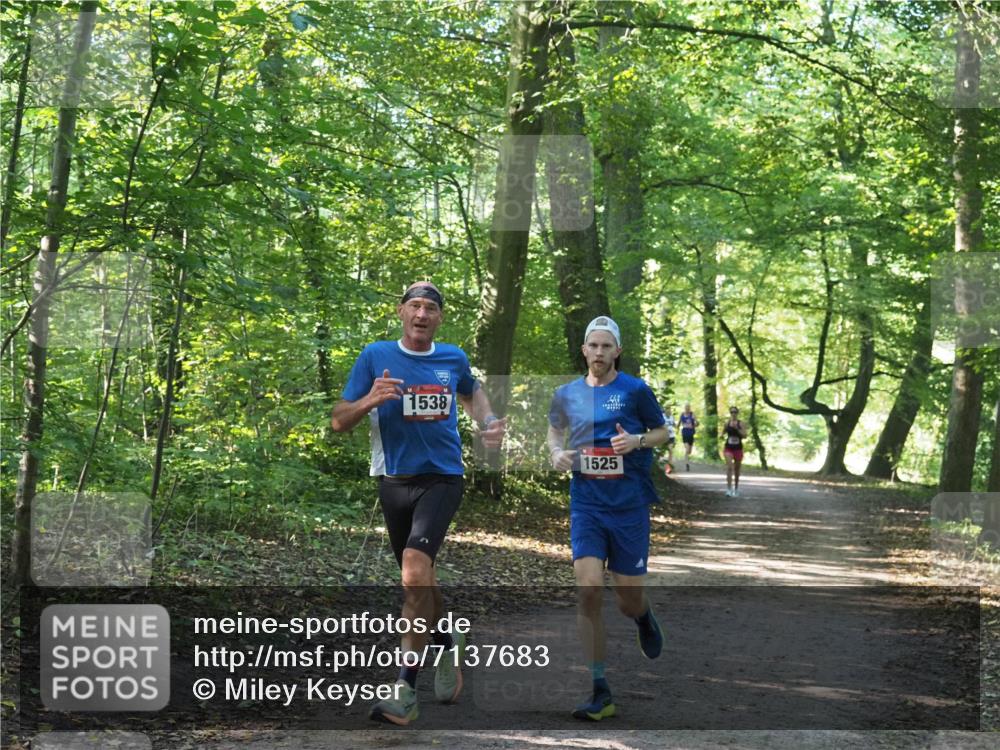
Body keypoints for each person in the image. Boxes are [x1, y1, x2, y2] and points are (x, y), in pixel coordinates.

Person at [331, 281, 506, 725]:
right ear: (401, 312)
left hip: (443, 477)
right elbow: (338, 421)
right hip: (394, 480)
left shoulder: (452, 358)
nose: (422, 314)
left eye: (430, 308)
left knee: (413, 567)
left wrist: (486, 420)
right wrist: (372, 398)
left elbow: (471, 390)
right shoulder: (375, 357)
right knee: (419, 580)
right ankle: (447, 638)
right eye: (415, 306)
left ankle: (405, 690)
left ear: (439, 318)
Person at [547, 316, 668, 721]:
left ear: (617, 351)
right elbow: (554, 431)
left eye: (606, 346)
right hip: (587, 505)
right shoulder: (565, 394)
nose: (598, 353)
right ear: (583, 350)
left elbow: (662, 432)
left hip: (629, 506)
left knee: (627, 599)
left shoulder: (635, 390)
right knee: (588, 590)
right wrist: (555, 453)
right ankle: (600, 689)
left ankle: (643, 615)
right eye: (592, 345)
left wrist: (636, 441)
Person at [721, 406, 748, 497]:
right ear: (730, 413)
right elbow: (722, 433)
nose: (733, 414)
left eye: (735, 412)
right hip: (728, 448)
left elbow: (745, 436)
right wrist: (721, 435)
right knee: (729, 467)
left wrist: (737, 429)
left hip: (738, 448)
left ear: (737, 413)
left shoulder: (741, 423)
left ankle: (736, 489)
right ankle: (729, 489)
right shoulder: (727, 423)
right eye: (731, 412)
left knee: (737, 470)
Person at [679, 403, 698, 471]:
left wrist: (695, 422)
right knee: (687, 449)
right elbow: (679, 423)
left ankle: (687, 459)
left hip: (691, 434)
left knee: (689, 451)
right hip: (684, 433)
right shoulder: (682, 415)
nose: (687, 408)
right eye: (686, 407)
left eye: (688, 407)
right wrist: (676, 428)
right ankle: (687, 464)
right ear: (684, 408)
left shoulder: (692, 414)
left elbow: (697, 423)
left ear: (690, 408)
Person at [662, 405, 677, 474]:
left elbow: (674, 425)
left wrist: (676, 426)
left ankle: (669, 467)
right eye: (667, 409)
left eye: (669, 409)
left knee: (670, 451)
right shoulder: (662, 416)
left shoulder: (672, 417)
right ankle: (663, 466)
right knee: (663, 452)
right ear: (664, 410)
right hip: (663, 436)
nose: (669, 411)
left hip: (671, 436)